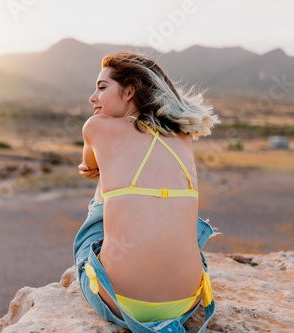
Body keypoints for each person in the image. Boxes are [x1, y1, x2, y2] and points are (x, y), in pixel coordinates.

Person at [73, 51, 220, 333]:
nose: (93, 97)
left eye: (102, 88)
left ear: (129, 91)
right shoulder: (183, 135)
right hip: (186, 302)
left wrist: (110, 169)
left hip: (122, 302)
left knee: (104, 186)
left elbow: (88, 167)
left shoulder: (96, 128)